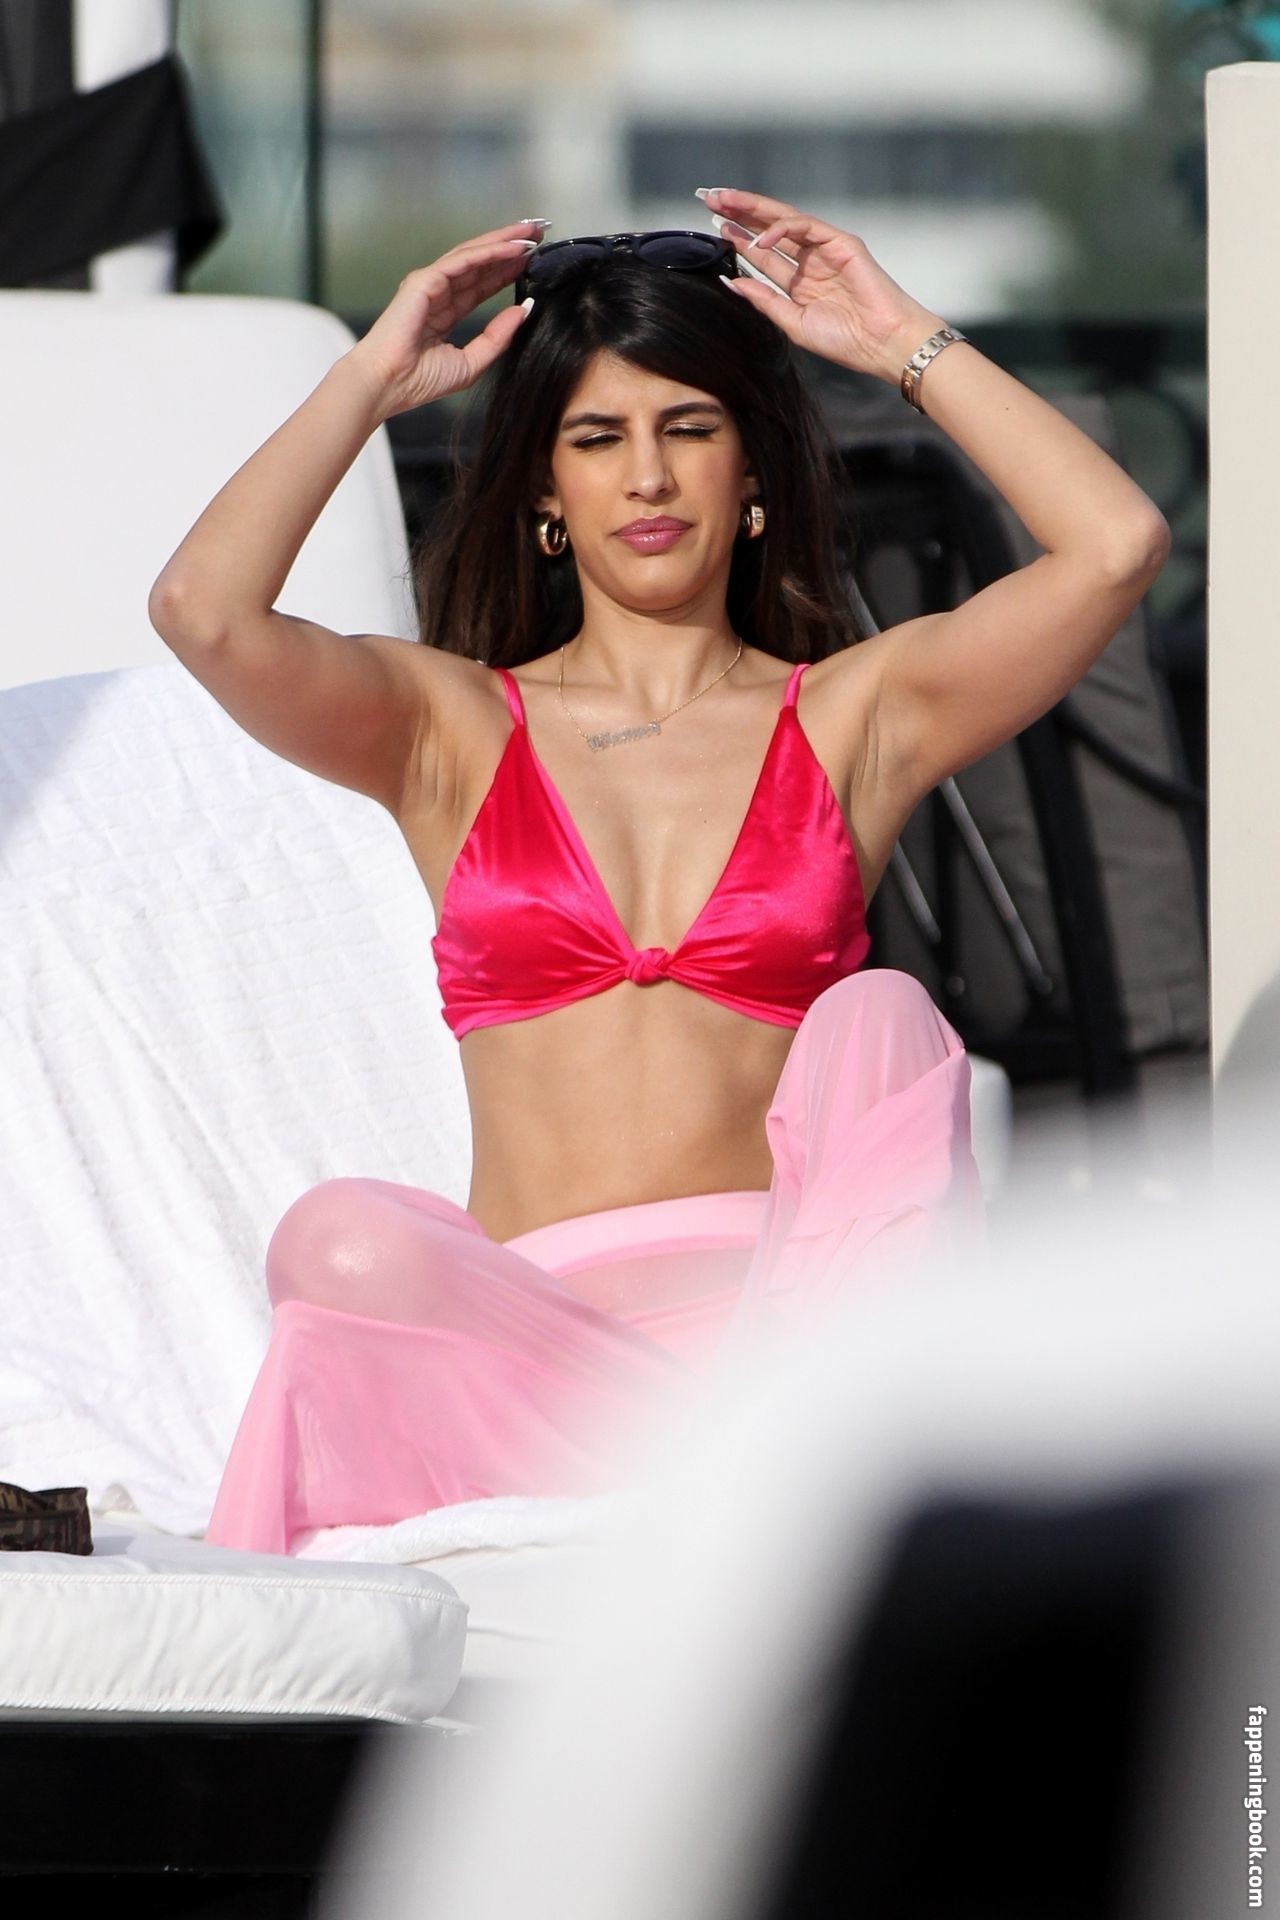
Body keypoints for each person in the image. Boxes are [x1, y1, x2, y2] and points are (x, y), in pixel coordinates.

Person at [150, 189, 1171, 1555]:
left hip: (782, 1359)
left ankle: (807, 1476)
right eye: (598, 438)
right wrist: (369, 382)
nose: (646, 476)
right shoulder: (450, 729)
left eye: (690, 429)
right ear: (544, 493)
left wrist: (901, 343)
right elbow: (203, 613)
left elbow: (1115, 546)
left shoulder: (851, 719)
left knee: (881, 1016)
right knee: (340, 1244)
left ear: (751, 477)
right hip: (530, 1364)